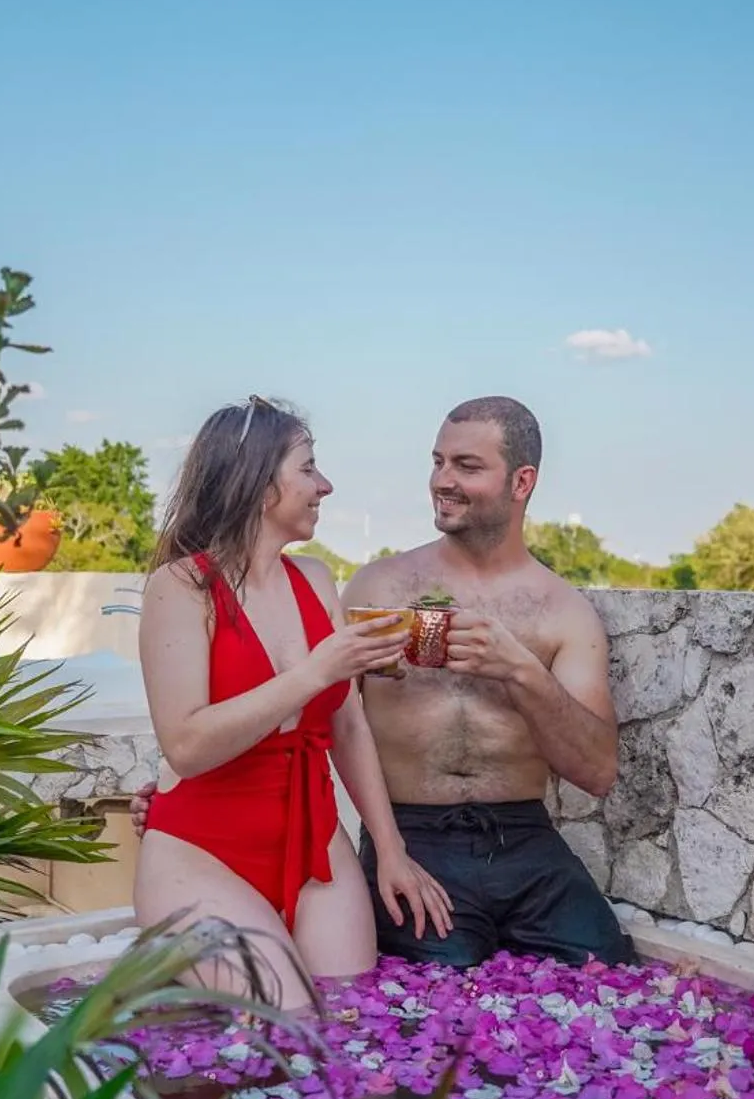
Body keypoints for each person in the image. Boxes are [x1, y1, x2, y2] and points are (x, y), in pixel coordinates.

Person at [134, 394, 632, 973]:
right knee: (422, 981)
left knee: (610, 967)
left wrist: (519, 669)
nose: (442, 480)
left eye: (466, 466)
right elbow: (223, 725)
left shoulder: (561, 610)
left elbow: (598, 772)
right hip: (404, 830)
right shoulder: (375, 588)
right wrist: (179, 788)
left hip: (513, 837)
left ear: (522, 482)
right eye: (438, 461)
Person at [132, 394, 452, 1009]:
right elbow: (186, 746)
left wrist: (391, 852)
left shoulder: (315, 579)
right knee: (286, 1017)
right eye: (308, 468)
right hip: (203, 851)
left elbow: (349, 728)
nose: (324, 485)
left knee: (350, 1011)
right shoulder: (180, 587)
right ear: (258, 484)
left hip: (315, 845)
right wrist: (316, 671)